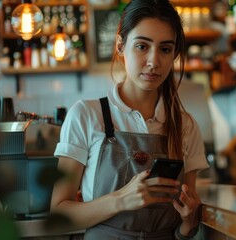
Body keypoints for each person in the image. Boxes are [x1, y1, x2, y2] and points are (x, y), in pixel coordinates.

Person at [50, 0, 210, 239]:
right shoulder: (87, 115)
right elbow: (59, 215)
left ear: (175, 54)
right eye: (142, 46)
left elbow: (183, 229)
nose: (154, 62)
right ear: (120, 46)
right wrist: (121, 199)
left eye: (165, 49)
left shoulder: (186, 126)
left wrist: (189, 222)